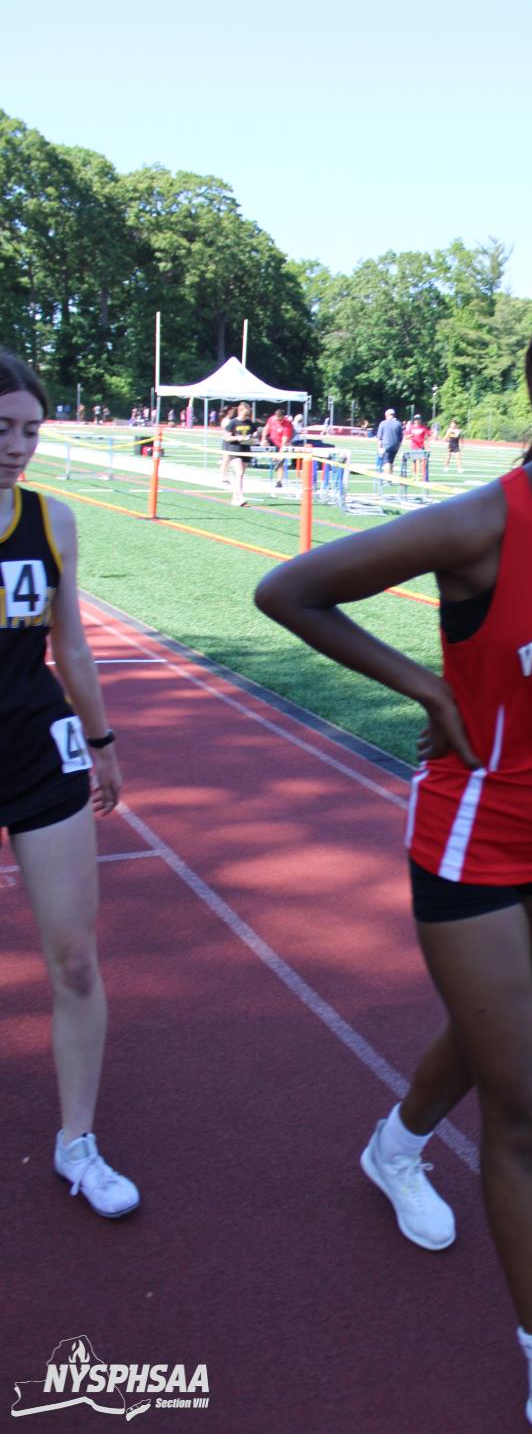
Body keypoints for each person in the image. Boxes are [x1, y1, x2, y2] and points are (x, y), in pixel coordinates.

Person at [255, 299, 532, 1432]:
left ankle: (394, 1145)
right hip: (471, 832)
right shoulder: (481, 526)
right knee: (528, 1104)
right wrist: (426, 686)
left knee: (494, 1034)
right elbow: (288, 591)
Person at [0, 351, 139, 1218]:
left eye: (29, 431)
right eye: (1, 429)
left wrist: (102, 741)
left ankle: (77, 1145)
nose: (16, 447)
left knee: (76, 958)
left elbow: (72, 644)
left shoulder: (51, 520)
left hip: (38, 746)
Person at [221, 400, 259, 506]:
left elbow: (255, 437)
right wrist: (238, 437)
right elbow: (226, 437)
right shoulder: (233, 422)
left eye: (248, 413)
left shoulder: (250, 423)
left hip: (246, 450)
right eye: (246, 412)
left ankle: (235, 498)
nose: (247, 414)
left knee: (240, 476)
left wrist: (253, 439)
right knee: (239, 473)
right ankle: (241, 497)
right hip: (234, 450)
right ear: (240, 411)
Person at [263, 406, 294, 490]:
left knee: (280, 463)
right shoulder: (271, 419)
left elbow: (284, 441)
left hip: (282, 444)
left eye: (280, 420)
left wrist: (280, 453)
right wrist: (263, 438)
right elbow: (266, 428)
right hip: (272, 441)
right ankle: (274, 457)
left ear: (283, 417)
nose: (278, 421)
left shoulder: (287, 425)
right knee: (264, 442)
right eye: (277, 419)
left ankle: (279, 481)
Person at [375, 407, 403, 477]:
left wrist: (379, 448)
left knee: (386, 462)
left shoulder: (383, 423)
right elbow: (400, 438)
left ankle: (387, 478)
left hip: (386, 446)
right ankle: (390, 477)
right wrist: (398, 448)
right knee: (391, 461)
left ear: (387, 415)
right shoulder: (398, 424)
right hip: (395, 446)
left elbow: (379, 438)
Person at [407, 413, 431, 481]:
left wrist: (428, 447)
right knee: (413, 461)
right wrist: (410, 436)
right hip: (413, 446)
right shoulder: (411, 427)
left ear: (420, 420)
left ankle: (418, 475)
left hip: (421, 446)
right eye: (415, 419)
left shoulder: (423, 427)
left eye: (418, 419)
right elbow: (406, 436)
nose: (416, 420)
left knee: (419, 461)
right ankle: (414, 475)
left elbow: (426, 438)